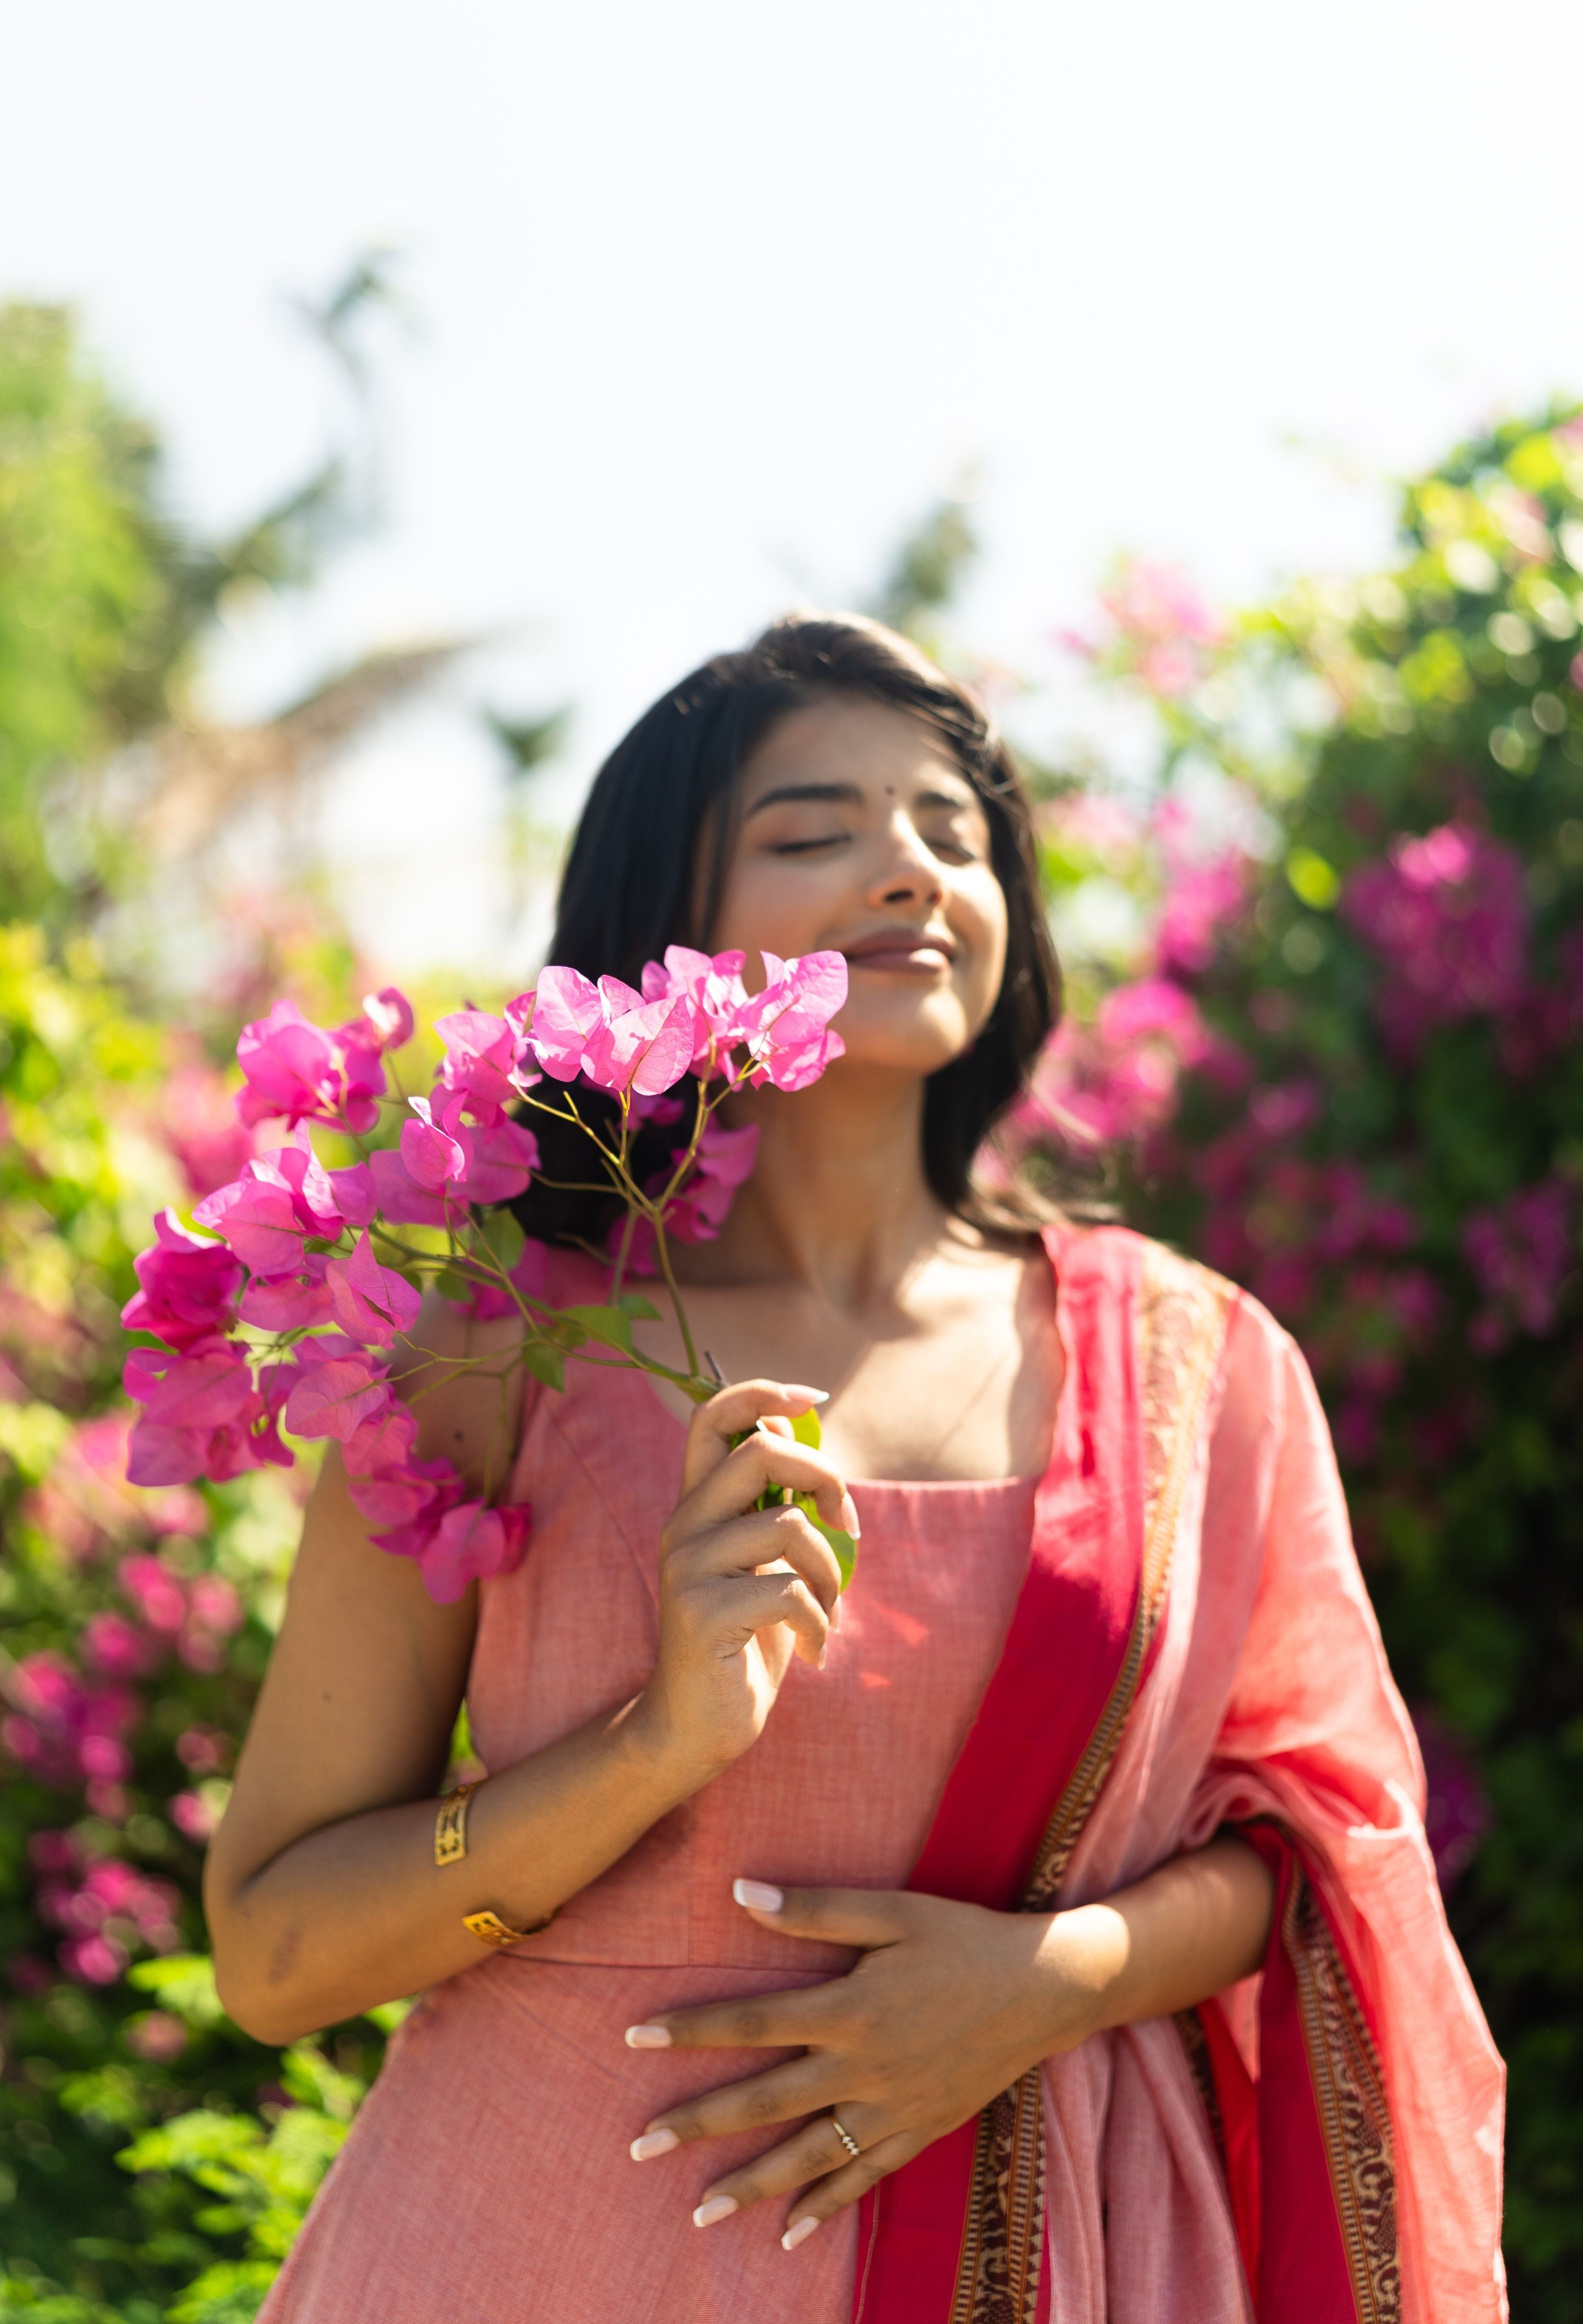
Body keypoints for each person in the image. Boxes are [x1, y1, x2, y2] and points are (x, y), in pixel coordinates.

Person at [210, 615, 1505, 2324]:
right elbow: (278, 1952)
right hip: (540, 2243)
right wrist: (653, 1745)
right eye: (812, 832)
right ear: (663, 921)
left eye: (952, 832)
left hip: (1073, 2240)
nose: (909, 869)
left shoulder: (1196, 1360)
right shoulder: (489, 1348)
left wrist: (1049, 1979)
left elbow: (1321, 1840)